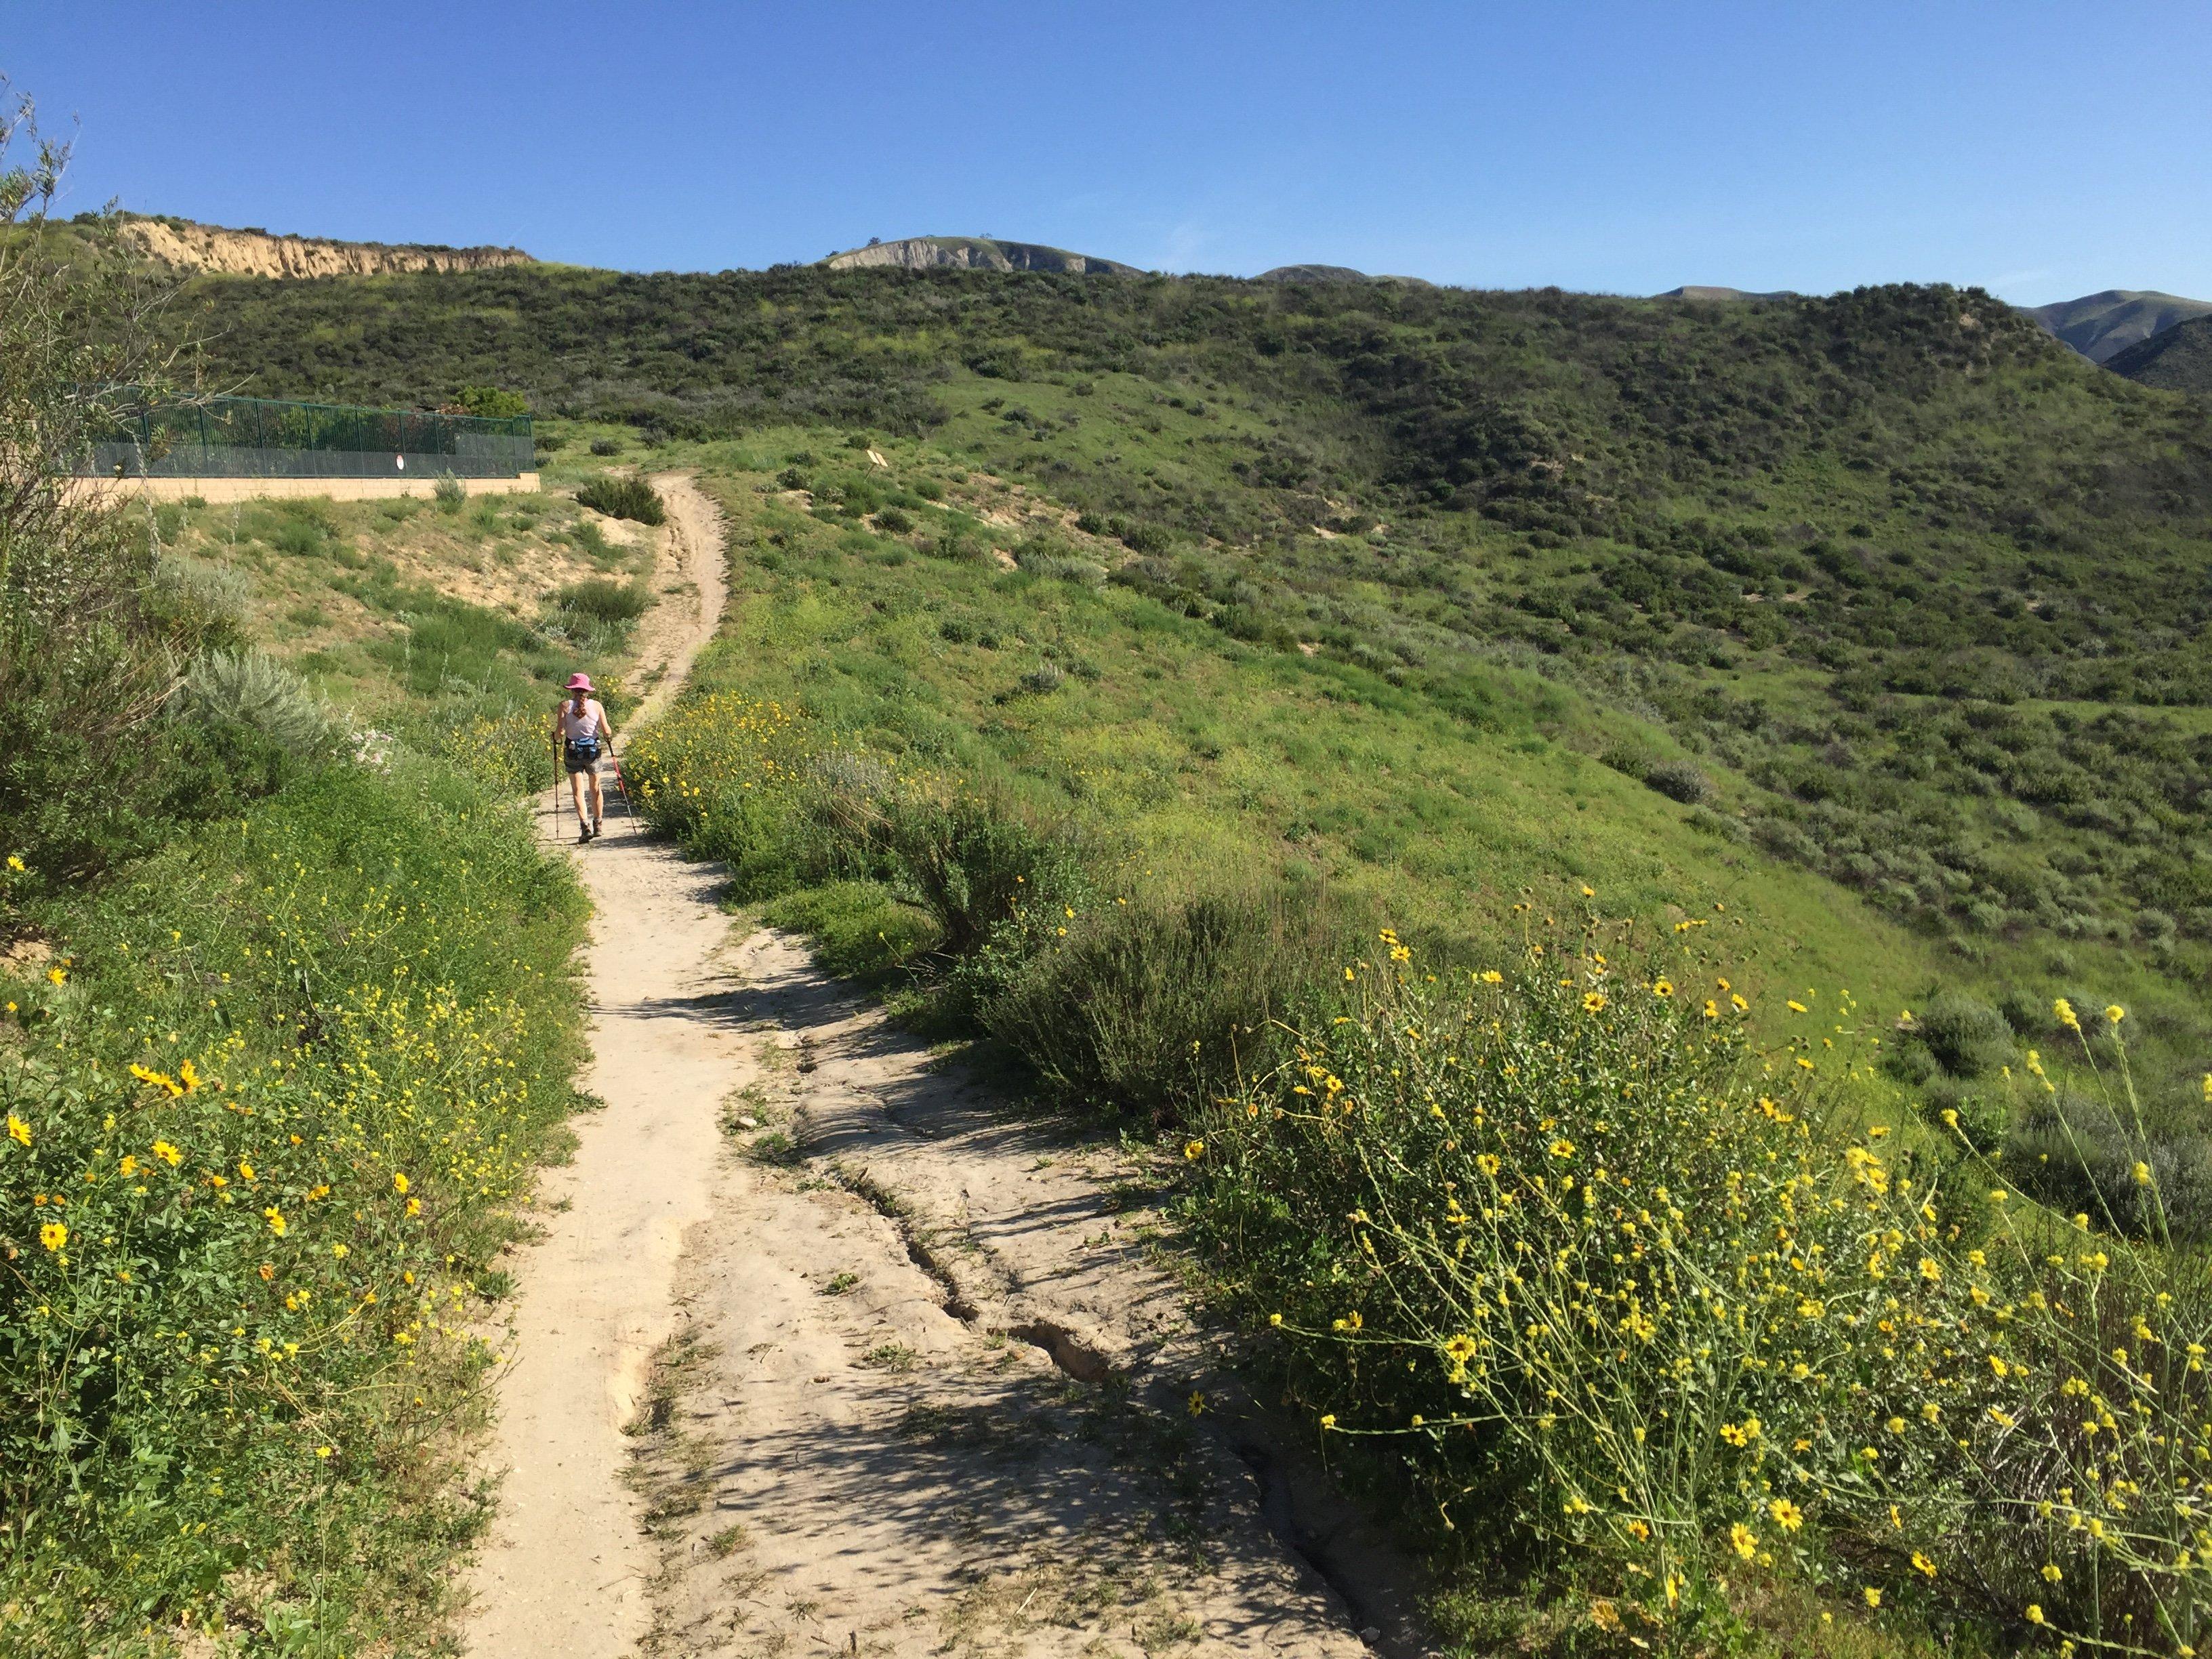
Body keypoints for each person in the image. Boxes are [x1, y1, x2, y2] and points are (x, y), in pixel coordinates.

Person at [554, 672, 618, 843]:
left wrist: (555, 737)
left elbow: (560, 733)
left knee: (578, 791)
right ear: (587, 690)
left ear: (572, 690)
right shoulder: (597, 706)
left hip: (573, 752)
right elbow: (607, 731)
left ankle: (585, 826)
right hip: (592, 751)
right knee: (595, 788)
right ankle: (598, 824)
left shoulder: (564, 706)